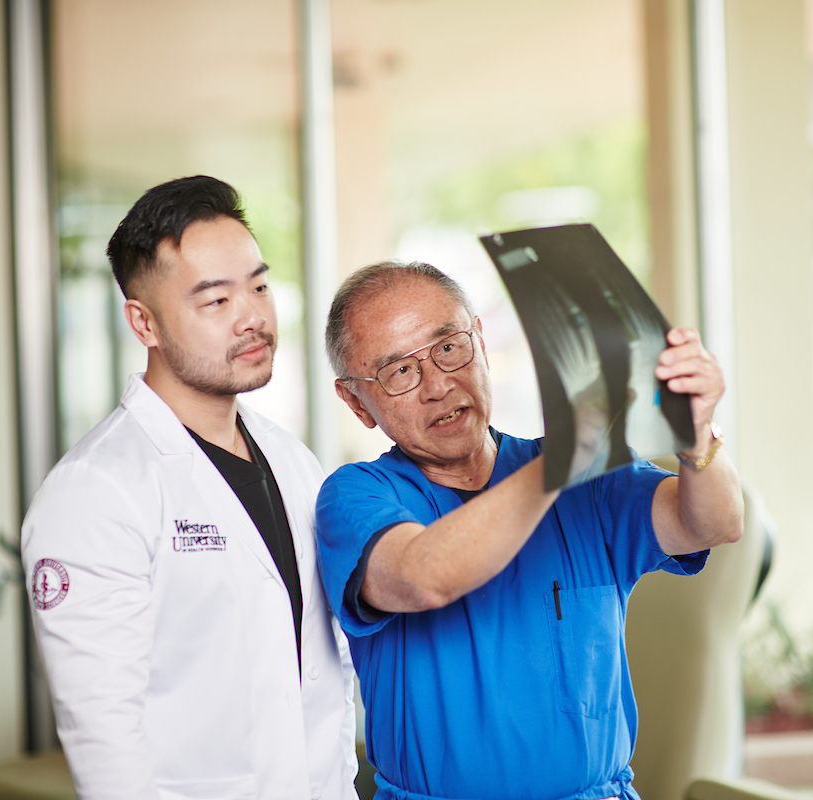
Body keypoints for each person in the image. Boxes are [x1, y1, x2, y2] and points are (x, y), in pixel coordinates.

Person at [315, 261, 744, 800]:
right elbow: (424, 575)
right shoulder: (356, 497)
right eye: (399, 371)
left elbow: (714, 521)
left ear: (482, 344)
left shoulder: (591, 484)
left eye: (448, 347)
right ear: (357, 403)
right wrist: (571, 452)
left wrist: (698, 430)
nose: (438, 385)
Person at [22, 176, 357, 800]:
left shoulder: (292, 460)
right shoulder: (95, 491)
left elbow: (322, 678)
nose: (253, 316)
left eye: (258, 286)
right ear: (143, 322)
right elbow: (104, 739)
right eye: (216, 301)